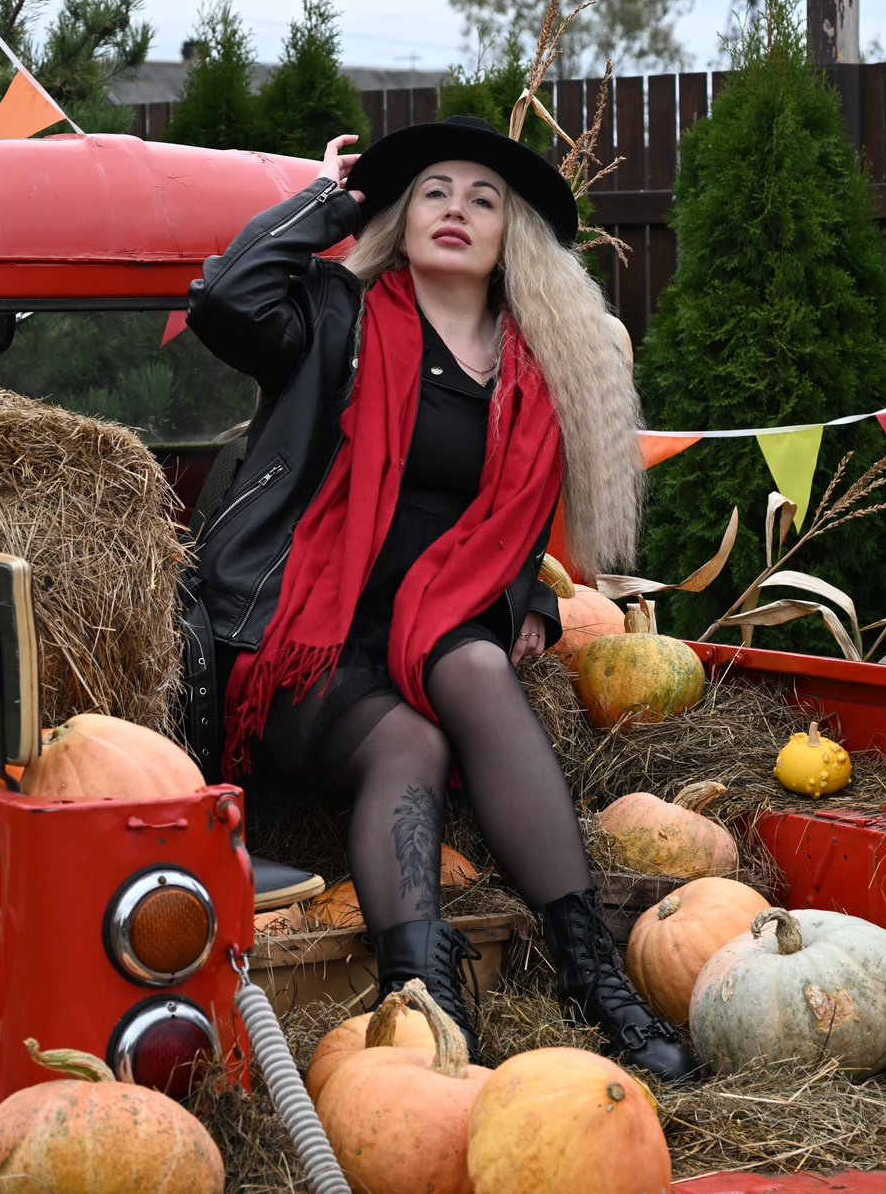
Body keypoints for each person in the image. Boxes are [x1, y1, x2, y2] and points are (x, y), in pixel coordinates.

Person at [184, 115, 689, 1079]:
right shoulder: (334, 317)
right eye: (433, 192)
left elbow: (505, 532)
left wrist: (527, 600)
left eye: (483, 198)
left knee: (479, 663)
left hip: (433, 632)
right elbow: (223, 299)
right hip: (307, 639)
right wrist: (332, 201)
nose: (456, 208)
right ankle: (428, 999)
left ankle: (594, 972)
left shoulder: (538, 372)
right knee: (412, 741)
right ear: (399, 215)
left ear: (512, 238)